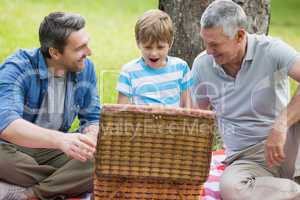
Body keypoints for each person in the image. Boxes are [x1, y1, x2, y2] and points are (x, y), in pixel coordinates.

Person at [191, 0, 300, 199]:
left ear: (240, 36)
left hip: (289, 145)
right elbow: (192, 115)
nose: (207, 51)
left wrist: (281, 125)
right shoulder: (202, 66)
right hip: (247, 160)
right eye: (205, 43)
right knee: (231, 189)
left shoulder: (271, 49)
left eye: (214, 44)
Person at [0, 11, 100, 200]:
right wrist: (61, 140)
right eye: (80, 48)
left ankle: (30, 194)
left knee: (101, 159)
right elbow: (6, 125)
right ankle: (64, 185)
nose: (89, 52)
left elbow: (92, 117)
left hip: (53, 152)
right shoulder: (17, 67)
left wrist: (90, 138)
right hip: (12, 148)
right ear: (54, 52)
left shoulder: (86, 68)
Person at [116, 9, 193, 107]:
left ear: (170, 43)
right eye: (148, 47)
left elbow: (187, 107)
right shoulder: (129, 72)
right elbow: (121, 111)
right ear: (138, 43)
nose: (154, 53)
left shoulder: (181, 68)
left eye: (160, 47)